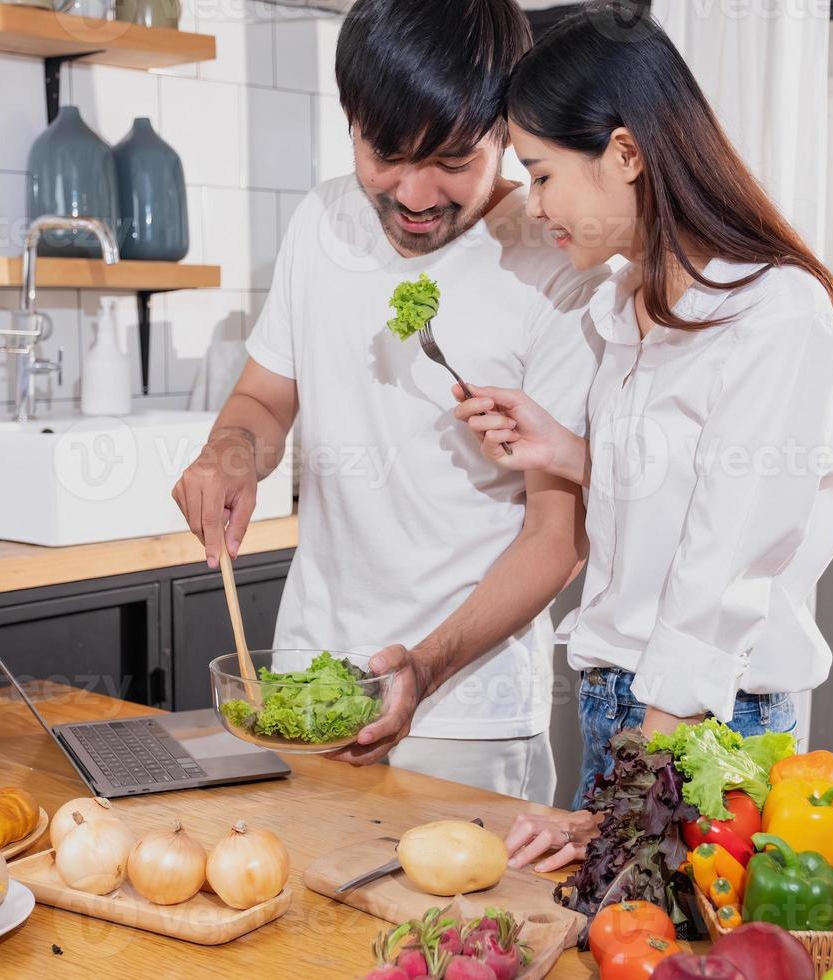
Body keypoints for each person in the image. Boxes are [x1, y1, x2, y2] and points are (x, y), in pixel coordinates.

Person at [448, 4, 833, 868]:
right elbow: (688, 489)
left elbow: (720, 569)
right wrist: (569, 454)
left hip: (706, 722)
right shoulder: (629, 303)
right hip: (621, 706)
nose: (535, 206)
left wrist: (631, 795)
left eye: (543, 175)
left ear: (625, 153)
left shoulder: (776, 315)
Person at [170, 0, 606, 805]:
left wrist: (426, 666)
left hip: (464, 719)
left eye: (450, 160)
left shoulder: (560, 263)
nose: (412, 193)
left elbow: (561, 532)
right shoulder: (323, 219)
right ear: (351, 119)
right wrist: (227, 455)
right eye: (385, 153)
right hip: (305, 696)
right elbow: (265, 396)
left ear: (505, 130)